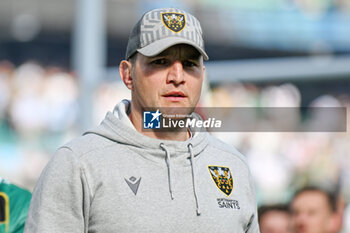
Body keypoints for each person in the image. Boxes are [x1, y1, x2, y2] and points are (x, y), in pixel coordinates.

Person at [24, 8, 259, 233]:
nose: (177, 77)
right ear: (128, 74)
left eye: (189, 64)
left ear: (202, 76)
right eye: (160, 62)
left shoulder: (233, 165)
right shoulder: (78, 164)